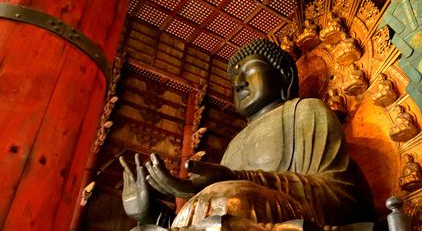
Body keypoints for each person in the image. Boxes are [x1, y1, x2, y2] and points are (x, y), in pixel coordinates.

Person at [120, 39, 369, 230]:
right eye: (234, 79)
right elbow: (207, 214)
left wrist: (237, 178)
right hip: (239, 216)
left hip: (289, 218)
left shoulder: (305, 111)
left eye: (248, 71)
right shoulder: (234, 144)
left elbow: (340, 197)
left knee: (233, 198)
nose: (238, 83)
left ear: (285, 76)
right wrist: (150, 214)